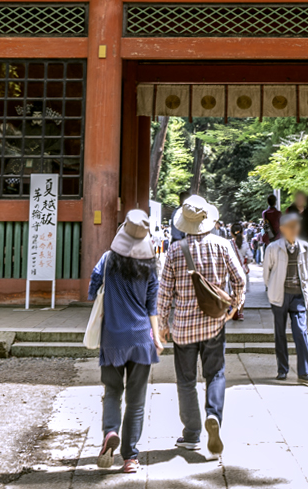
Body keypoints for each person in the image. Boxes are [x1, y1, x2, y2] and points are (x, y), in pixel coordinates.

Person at [158, 195, 246, 458]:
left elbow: (164, 293)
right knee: (215, 374)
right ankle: (213, 416)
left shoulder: (174, 250)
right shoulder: (222, 245)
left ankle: (192, 434)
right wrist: (234, 306)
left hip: (183, 327)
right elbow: (240, 279)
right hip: (214, 324)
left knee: (186, 381)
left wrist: (162, 324)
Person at [89, 210, 165, 474]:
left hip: (113, 337)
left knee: (112, 391)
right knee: (136, 401)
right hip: (142, 338)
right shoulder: (150, 265)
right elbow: (151, 306)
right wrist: (157, 339)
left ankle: (110, 431)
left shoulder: (108, 259)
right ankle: (130, 457)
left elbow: (92, 288)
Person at [263, 211, 308, 385]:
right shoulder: (273, 248)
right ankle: (282, 369)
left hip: (298, 295)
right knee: (280, 333)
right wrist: (272, 289)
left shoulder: (305, 247)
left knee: (300, 331)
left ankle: (305, 371)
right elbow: (266, 273)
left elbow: (306, 271)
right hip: (280, 295)